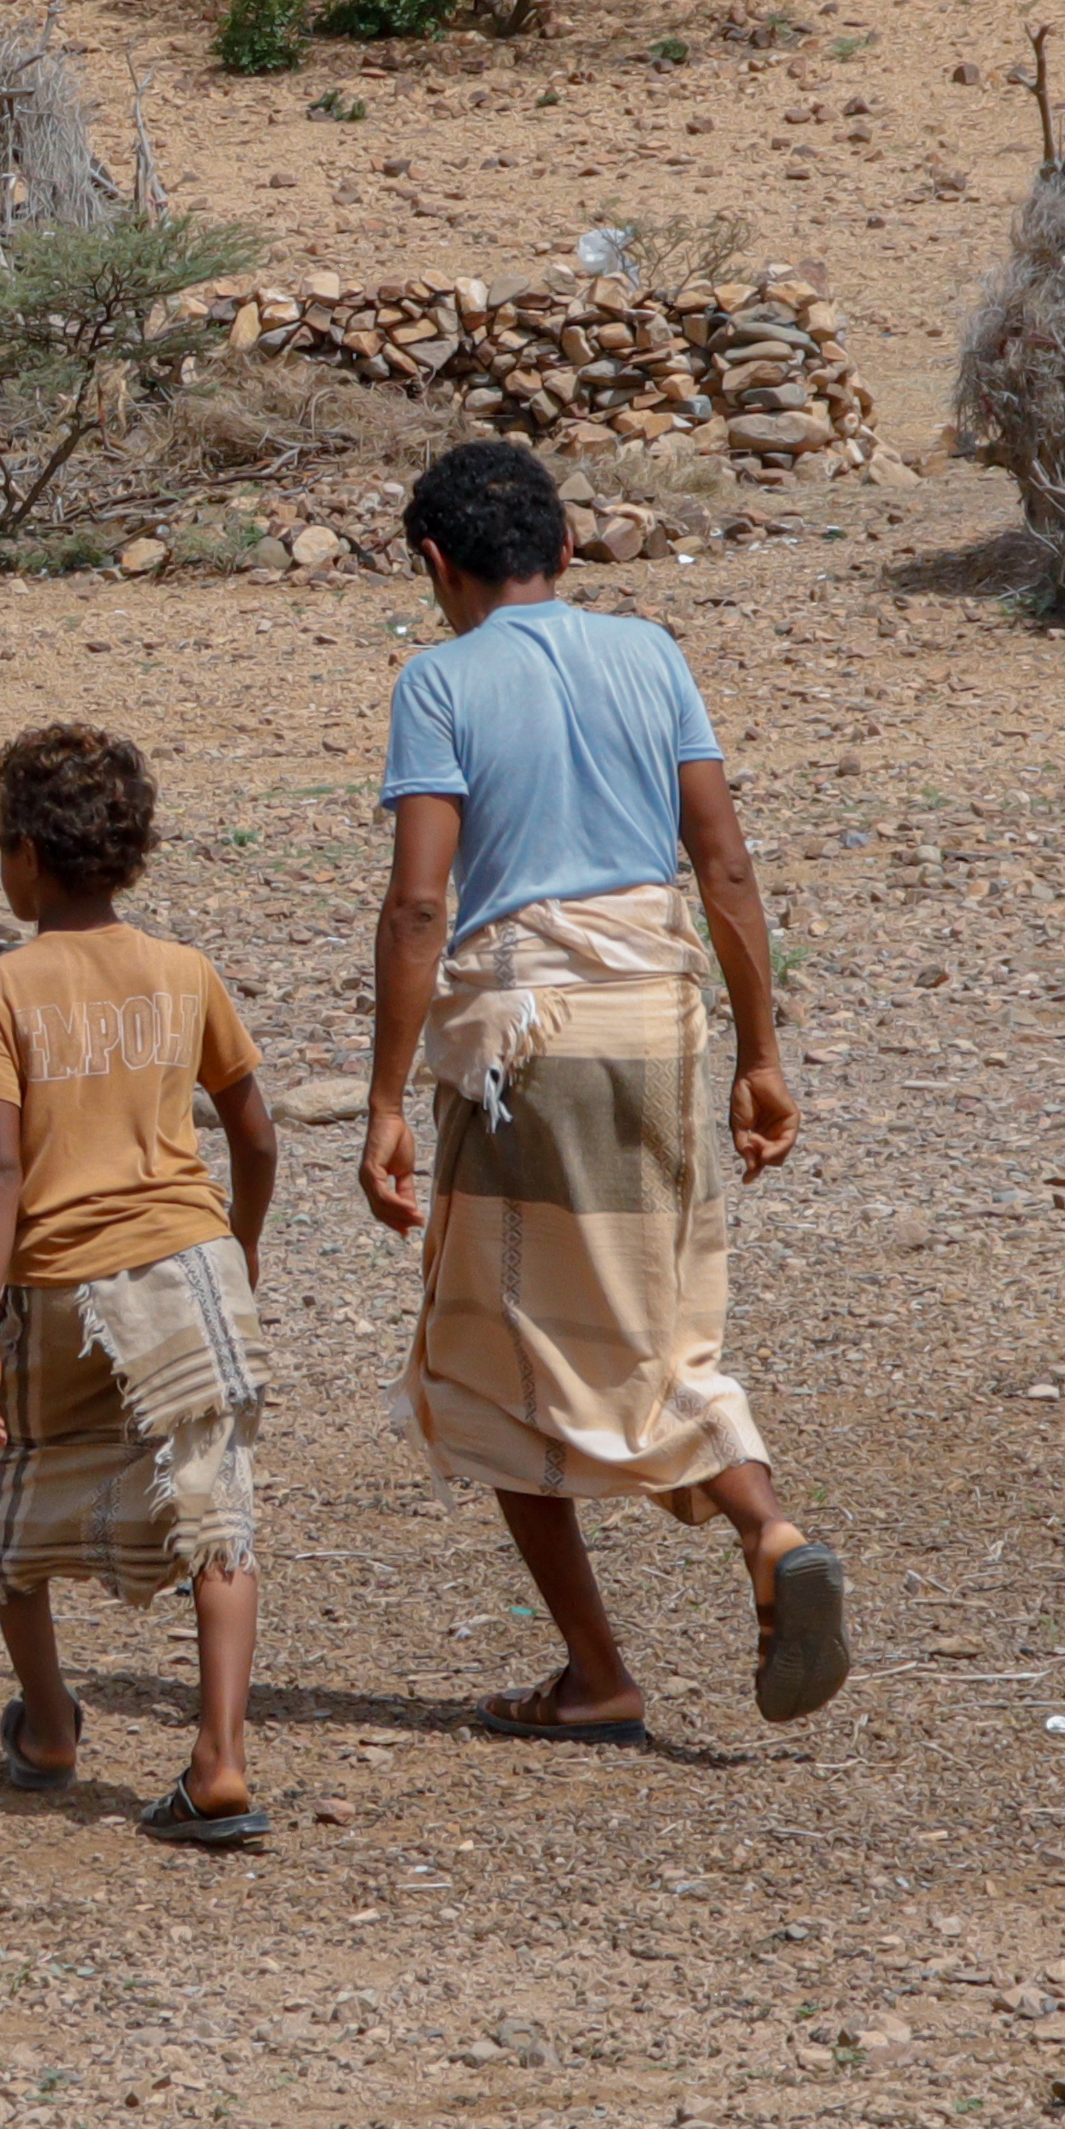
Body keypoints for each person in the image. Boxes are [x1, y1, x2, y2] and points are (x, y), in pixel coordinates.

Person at [354, 442, 847, 1741]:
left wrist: (387, 1099)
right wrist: (759, 1055)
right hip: (661, 1024)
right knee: (659, 1331)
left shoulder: (436, 682)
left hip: (528, 1046)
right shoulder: (656, 657)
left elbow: (420, 902)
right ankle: (762, 1529)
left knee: (487, 1359)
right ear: (568, 552)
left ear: (436, 566)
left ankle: (605, 1666)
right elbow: (726, 871)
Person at [0, 723, 280, 1847]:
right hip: (189, 1265)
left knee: (14, 1509)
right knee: (215, 1507)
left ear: (29, 856)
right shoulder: (184, 973)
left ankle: (47, 1727)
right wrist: (236, 1248)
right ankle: (221, 1758)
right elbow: (257, 1131)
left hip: (58, 1279)